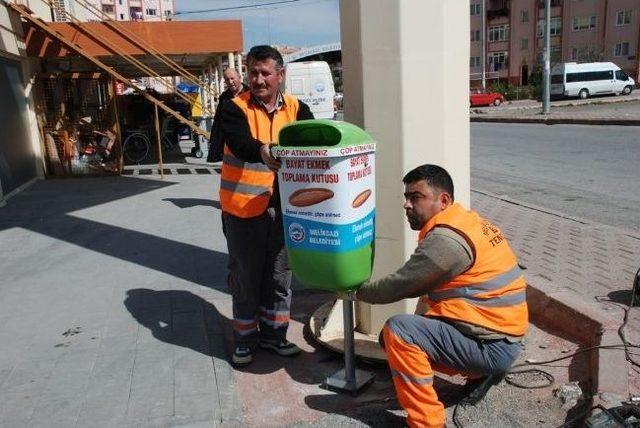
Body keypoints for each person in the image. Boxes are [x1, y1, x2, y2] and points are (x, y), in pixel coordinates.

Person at [356, 164, 528, 428]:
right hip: (500, 337)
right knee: (398, 333)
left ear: (443, 200)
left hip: (492, 346)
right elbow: (426, 292)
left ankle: (429, 422)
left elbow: (401, 285)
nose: (407, 205)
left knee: (398, 332)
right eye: (406, 197)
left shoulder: (447, 241)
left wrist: (358, 290)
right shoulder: (464, 221)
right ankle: (479, 373)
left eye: (416, 197)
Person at [218, 45, 314, 366]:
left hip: (285, 208)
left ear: (280, 75)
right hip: (243, 207)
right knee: (246, 274)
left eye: (265, 73)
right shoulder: (234, 108)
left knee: (279, 274)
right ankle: (244, 338)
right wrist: (264, 151)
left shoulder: (298, 108)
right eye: (253, 72)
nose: (258, 79)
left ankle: (275, 335)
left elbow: (314, 141)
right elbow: (241, 143)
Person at [206, 67, 249, 162]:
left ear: (239, 77)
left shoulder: (251, 95)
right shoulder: (224, 97)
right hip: (229, 146)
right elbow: (218, 121)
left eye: (232, 78)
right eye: (227, 79)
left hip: (248, 143)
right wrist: (214, 142)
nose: (230, 81)